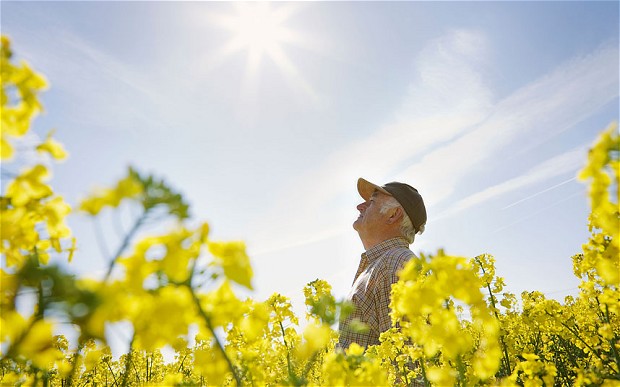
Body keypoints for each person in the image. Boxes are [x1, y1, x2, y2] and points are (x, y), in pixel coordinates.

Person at [337, 177, 427, 350]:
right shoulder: (383, 264)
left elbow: (405, 358)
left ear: (393, 215)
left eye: (371, 202)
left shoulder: (396, 265)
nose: (359, 206)